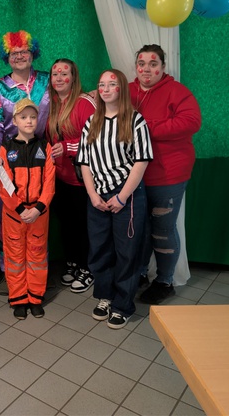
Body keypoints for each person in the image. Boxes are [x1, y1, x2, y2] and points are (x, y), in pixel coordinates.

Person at [76, 69, 153, 329]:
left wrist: (121, 197)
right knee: (100, 250)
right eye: (101, 85)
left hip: (126, 196)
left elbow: (141, 162)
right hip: (97, 196)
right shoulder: (92, 122)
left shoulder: (134, 120)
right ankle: (105, 296)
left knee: (126, 252)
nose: (105, 89)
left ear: (121, 88)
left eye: (111, 84)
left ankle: (123, 305)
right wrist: (92, 194)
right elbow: (85, 162)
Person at [129, 44, 202, 305]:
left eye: (153, 64)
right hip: (135, 175)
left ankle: (165, 281)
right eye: (142, 64)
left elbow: (191, 122)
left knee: (162, 229)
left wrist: (145, 127)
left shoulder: (177, 91)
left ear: (163, 67)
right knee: (139, 229)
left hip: (168, 174)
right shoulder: (128, 90)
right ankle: (139, 273)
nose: (146, 69)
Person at [0, 30, 49, 292]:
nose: (20, 56)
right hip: (11, 159)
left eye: (24, 51)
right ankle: (10, 273)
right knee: (11, 215)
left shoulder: (47, 80)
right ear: (7, 57)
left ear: (32, 53)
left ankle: (37, 275)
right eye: (14, 53)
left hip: (42, 156)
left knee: (39, 213)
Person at [0, 98, 55, 319]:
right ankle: (19, 298)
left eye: (32, 117)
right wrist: (20, 209)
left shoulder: (44, 147)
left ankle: (35, 297)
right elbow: (4, 184)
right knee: (15, 257)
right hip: (14, 214)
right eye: (23, 117)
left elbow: (49, 182)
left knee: (37, 255)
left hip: (39, 213)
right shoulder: (6, 148)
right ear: (15, 121)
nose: (28, 121)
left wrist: (38, 208)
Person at [46, 58, 96, 293]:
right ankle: (73, 262)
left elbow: (95, 139)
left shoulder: (84, 103)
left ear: (73, 78)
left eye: (64, 74)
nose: (59, 78)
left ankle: (88, 268)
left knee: (83, 226)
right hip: (60, 177)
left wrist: (67, 147)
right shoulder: (52, 104)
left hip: (81, 179)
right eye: (55, 74)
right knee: (67, 225)